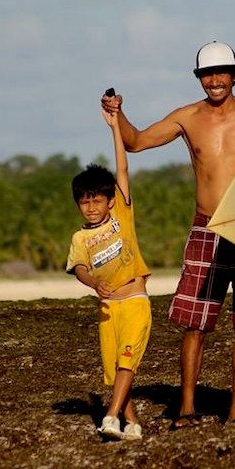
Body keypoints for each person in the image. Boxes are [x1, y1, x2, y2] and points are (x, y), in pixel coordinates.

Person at [100, 41, 235, 428]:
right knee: (196, 321)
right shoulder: (187, 118)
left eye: (221, 73)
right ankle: (187, 408)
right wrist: (118, 114)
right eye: (206, 75)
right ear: (199, 79)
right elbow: (136, 141)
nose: (214, 81)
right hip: (206, 226)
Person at [65, 98, 151, 441]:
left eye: (96, 200)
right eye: (84, 201)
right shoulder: (79, 239)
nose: (90, 207)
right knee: (115, 371)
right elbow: (81, 269)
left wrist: (115, 126)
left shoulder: (121, 215)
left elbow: (123, 168)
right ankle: (132, 423)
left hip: (135, 301)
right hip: (106, 308)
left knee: (128, 360)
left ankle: (111, 415)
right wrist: (93, 283)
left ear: (109, 200)